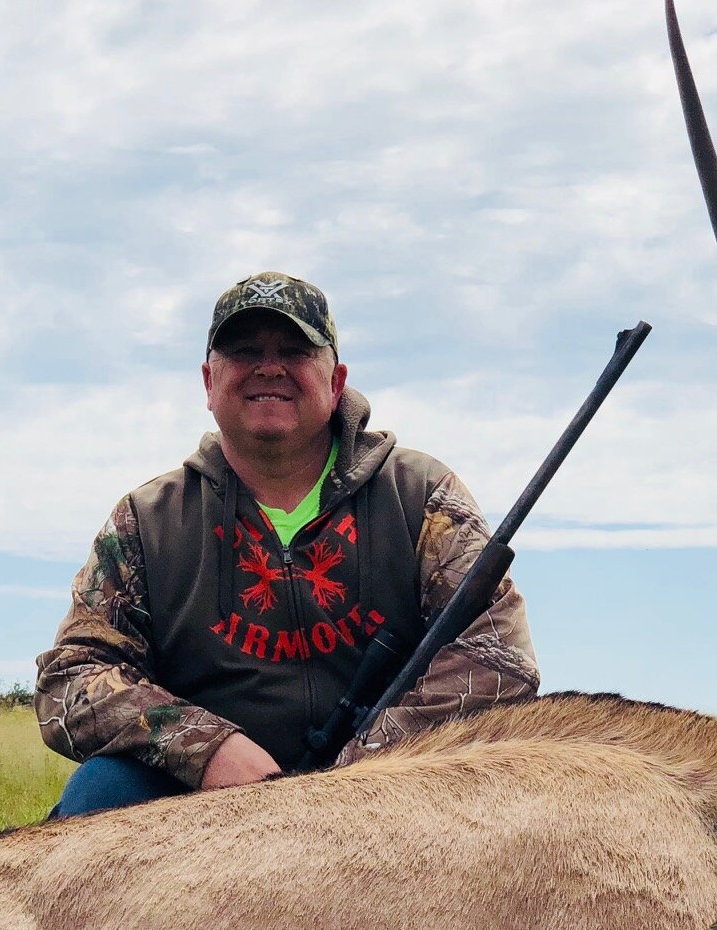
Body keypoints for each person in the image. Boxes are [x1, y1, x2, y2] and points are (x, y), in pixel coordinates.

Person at [35, 272, 539, 817]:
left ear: (336, 380)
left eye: (295, 351)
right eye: (245, 351)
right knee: (101, 791)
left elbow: (502, 660)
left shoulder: (422, 495)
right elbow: (70, 682)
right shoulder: (147, 521)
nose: (269, 368)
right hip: (202, 802)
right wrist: (205, 749)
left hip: (397, 790)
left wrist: (363, 764)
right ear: (208, 381)